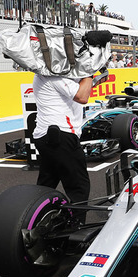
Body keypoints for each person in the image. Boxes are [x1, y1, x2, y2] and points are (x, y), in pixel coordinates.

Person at [32, 73, 92, 216]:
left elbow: (80, 87)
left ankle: (35, 222)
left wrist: (93, 79)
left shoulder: (45, 74)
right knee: (79, 188)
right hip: (62, 135)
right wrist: (89, 74)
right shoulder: (54, 77)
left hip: (45, 137)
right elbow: (82, 96)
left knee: (46, 185)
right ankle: (75, 230)